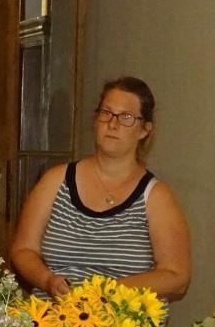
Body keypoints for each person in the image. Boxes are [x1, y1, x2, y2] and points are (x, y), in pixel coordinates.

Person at [11, 76, 191, 302]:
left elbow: (177, 277)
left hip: (122, 318)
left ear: (144, 130)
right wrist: (47, 280)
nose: (113, 124)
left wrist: (106, 292)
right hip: (55, 315)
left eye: (126, 117)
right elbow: (23, 249)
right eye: (106, 113)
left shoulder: (156, 197)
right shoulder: (55, 181)